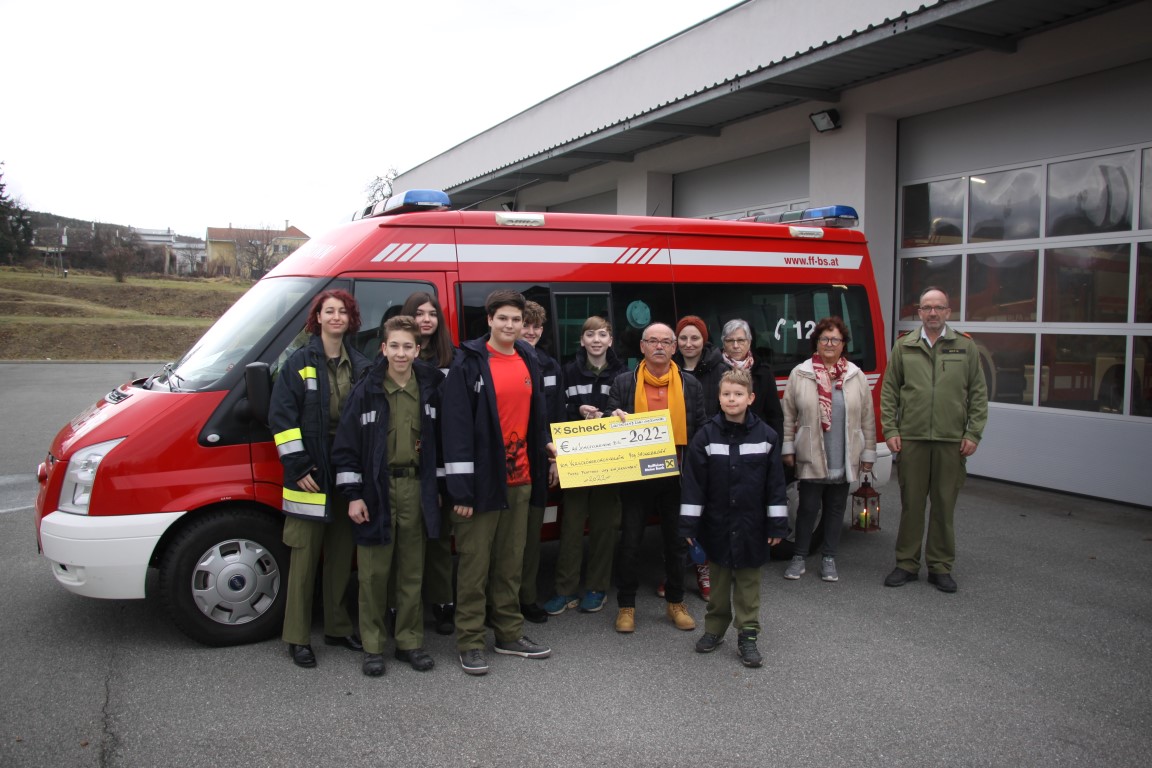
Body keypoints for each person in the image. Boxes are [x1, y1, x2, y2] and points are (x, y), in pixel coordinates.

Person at [441, 289, 554, 675]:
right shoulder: (469, 363)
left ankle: (508, 633)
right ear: (489, 320)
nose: (510, 325)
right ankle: (470, 640)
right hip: (481, 483)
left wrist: (545, 446)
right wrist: (461, 490)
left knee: (511, 562)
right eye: (502, 318)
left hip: (521, 478)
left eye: (516, 319)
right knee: (474, 565)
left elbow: (533, 417)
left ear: (524, 324)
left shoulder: (528, 359)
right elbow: (454, 430)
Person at [332, 315, 444, 675]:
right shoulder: (366, 390)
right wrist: (353, 495)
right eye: (394, 345)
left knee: (412, 572)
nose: (400, 353)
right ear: (383, 348)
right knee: (373, 574)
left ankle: (409, 642)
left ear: (418, 349)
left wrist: (438, 491)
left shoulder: (429, 388)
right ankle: (373, 646)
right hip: (375, 491)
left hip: (416, 488)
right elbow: (346, 448)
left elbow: (440, 446)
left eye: (407, 346)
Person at [269, 289, 371, 668]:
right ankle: (297, 637)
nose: (336, 317)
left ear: (350, 319)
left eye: (342, 312)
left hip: (346, 473)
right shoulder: (298, 362)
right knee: (304, 559)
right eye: (329, 311)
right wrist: (298, 468)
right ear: (317, 317)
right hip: (309, 475)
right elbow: (281, 420)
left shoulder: (361, 365)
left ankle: (337, 627)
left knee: (341, 558)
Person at [880, 287, 988, 593]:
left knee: (943, 505)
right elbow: (889, 392)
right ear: (919, 313)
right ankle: (906, 564)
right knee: (911, 505)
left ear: (948, 312)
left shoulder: (966, 348)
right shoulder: (904, 347)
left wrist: (972, 433)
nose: (932, 313)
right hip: (912, 439)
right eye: (926, 308)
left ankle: (940, 567)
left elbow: (979, 394)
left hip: (951, 441)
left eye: (938, 307)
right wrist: (891, 430)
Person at [680, 369, 788, 667]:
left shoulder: (767, 436)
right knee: (718, 584)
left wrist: (777, 523)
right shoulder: (706, 436)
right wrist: (689, 525)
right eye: (726, 394)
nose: (732, 399)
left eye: (738, 394)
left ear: (750, 398)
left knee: (748, 586)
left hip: (752, 527)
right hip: (716, 525)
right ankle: (714, 630)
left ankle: (748, 635)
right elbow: (693, 485)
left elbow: (775, 485)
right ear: (719, 397)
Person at [607, 322, 706, 634]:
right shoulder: (623, 383)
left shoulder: (691, 385)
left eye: (666, 341)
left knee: (676, 543)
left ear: (674, 348)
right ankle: (626, 606)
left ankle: (676, 603)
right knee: (630, 543)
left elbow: (701, 429)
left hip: (677, 475)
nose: (659, 346)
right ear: (642, 347)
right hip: (636, 476)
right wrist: (611, 419)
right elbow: (610, 424)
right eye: (653, 341)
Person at [780, 316, 876, 582]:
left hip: (843, 454)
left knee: (835, 509)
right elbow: (788, 413)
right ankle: (799, 557)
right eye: (824, 339)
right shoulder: (801, 373)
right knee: (807, 508)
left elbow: (867, 417)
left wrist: (868, 454)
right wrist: (788, 447)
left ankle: (829, 559)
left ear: (843, 343)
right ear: (817, 342)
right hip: (812, 454)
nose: (830, 344)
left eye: (835, 339)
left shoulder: (856, 376)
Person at [542, 315, 627, 616]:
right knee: (571, 526)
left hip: (610, 461)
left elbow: (630, 412)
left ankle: (596, 589)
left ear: (610, 340)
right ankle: (565, 591)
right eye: (590, 335)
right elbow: (557, 411)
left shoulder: (623, 373)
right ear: (581, 340)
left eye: (602, 334)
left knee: (605, 527)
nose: (596, 340)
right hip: (576, 459)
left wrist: (614, 415)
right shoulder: (567, 372)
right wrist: (576, 409)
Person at [399, 291, 458, 636]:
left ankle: (441, 601)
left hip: (441, 461)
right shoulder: (398, 358)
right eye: (419, 312)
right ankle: (403, 605)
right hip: (407, 461)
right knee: (406, 540)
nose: (426, 319)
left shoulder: (452, 360)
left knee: (438, 538)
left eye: (432, 313)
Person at [672, 315, 729, 600]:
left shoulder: (720, 369)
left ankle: (704, 570)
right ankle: (676, 571)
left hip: (708, 453)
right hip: (676, 455)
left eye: (694, 338)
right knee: (679, 515)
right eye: (683, 338)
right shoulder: (668, 368)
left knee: (704, 515)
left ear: (704, 339)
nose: (688, 343)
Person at [517, 300, 564, 624]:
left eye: (537, 326)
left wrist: (556, 461)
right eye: (526, 325)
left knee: (532, 536)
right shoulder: (500, 363)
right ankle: (501, 600)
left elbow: (557, 417)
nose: (531, 331)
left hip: (539, 460)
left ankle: (527, 598)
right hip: (511, 461)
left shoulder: (550, 367)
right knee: (507, 538)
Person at [719, 318, 784, 438]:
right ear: (723, 343)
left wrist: (775, 447)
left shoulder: (764, 372)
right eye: (730, 341)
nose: (735, 345)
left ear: (749, 342)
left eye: (741, 340)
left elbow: (774, 415)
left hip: (758, 440)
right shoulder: (715, 370)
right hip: (723, 439)